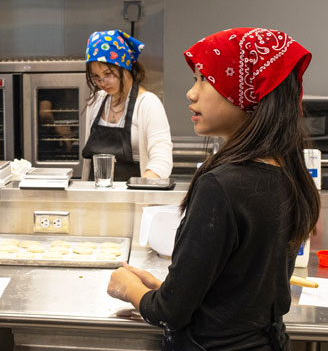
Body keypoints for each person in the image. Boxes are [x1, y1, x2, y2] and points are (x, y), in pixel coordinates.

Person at [107, 28, 320, 350]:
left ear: (246, 90)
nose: (191, 93)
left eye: (205, 79)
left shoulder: (221, 186)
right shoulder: (289, 175)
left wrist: (129, 289)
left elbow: (171, 312)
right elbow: (237, 288)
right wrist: (166, 288)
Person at [82, 29, 173, 181]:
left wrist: (140, 190)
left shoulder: (147, 104)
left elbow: (161, 158)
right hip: (96, 196)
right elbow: (88, 163)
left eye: (108, 74)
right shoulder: (97, 101)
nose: (102, 83)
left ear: (125, 66)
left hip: (134, 195)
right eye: (96, 77)